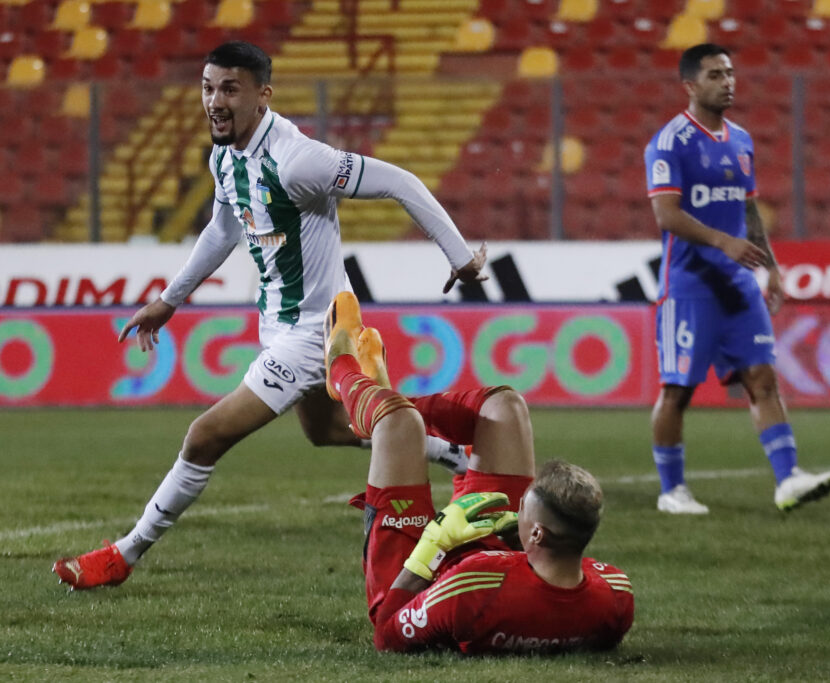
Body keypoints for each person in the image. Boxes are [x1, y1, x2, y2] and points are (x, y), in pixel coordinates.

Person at [53, 41, 487, 590]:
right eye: (208, 87)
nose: (215, 100)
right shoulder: (225, 153)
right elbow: (224, 227)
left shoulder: (299, 160)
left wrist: (459, 257)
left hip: (313, 331)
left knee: (204, 436)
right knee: (331, 431)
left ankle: (124, 554)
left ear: (263, 95)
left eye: (229, 88)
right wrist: (170, 299)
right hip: (280, 323)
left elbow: (400, 181)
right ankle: (461, 457)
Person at [323, 291, 633, 654]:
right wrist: (517, 550)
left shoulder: (472, 588)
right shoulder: (614, 592)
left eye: (522, 511)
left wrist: (435, 542)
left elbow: (388, 635)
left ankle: (341, 369)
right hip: (501, 556)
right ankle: (381, 399)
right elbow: (558, 603)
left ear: (536, 532)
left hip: (418, 580)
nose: (516, 512)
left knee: (398, 424)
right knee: (505, 406)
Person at [643, 43, 830, 515]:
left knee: (762, 379)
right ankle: (673, 490)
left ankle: (788, 479)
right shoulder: (669, 143)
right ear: (690, 85)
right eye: (715, 74)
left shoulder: (742, 141)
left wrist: (768, 265)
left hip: (738, 286)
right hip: (688, 287)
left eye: (730, 72)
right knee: (678, 390)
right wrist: (722, 243)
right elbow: (666, 215)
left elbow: (748, 210)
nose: (727, 81)